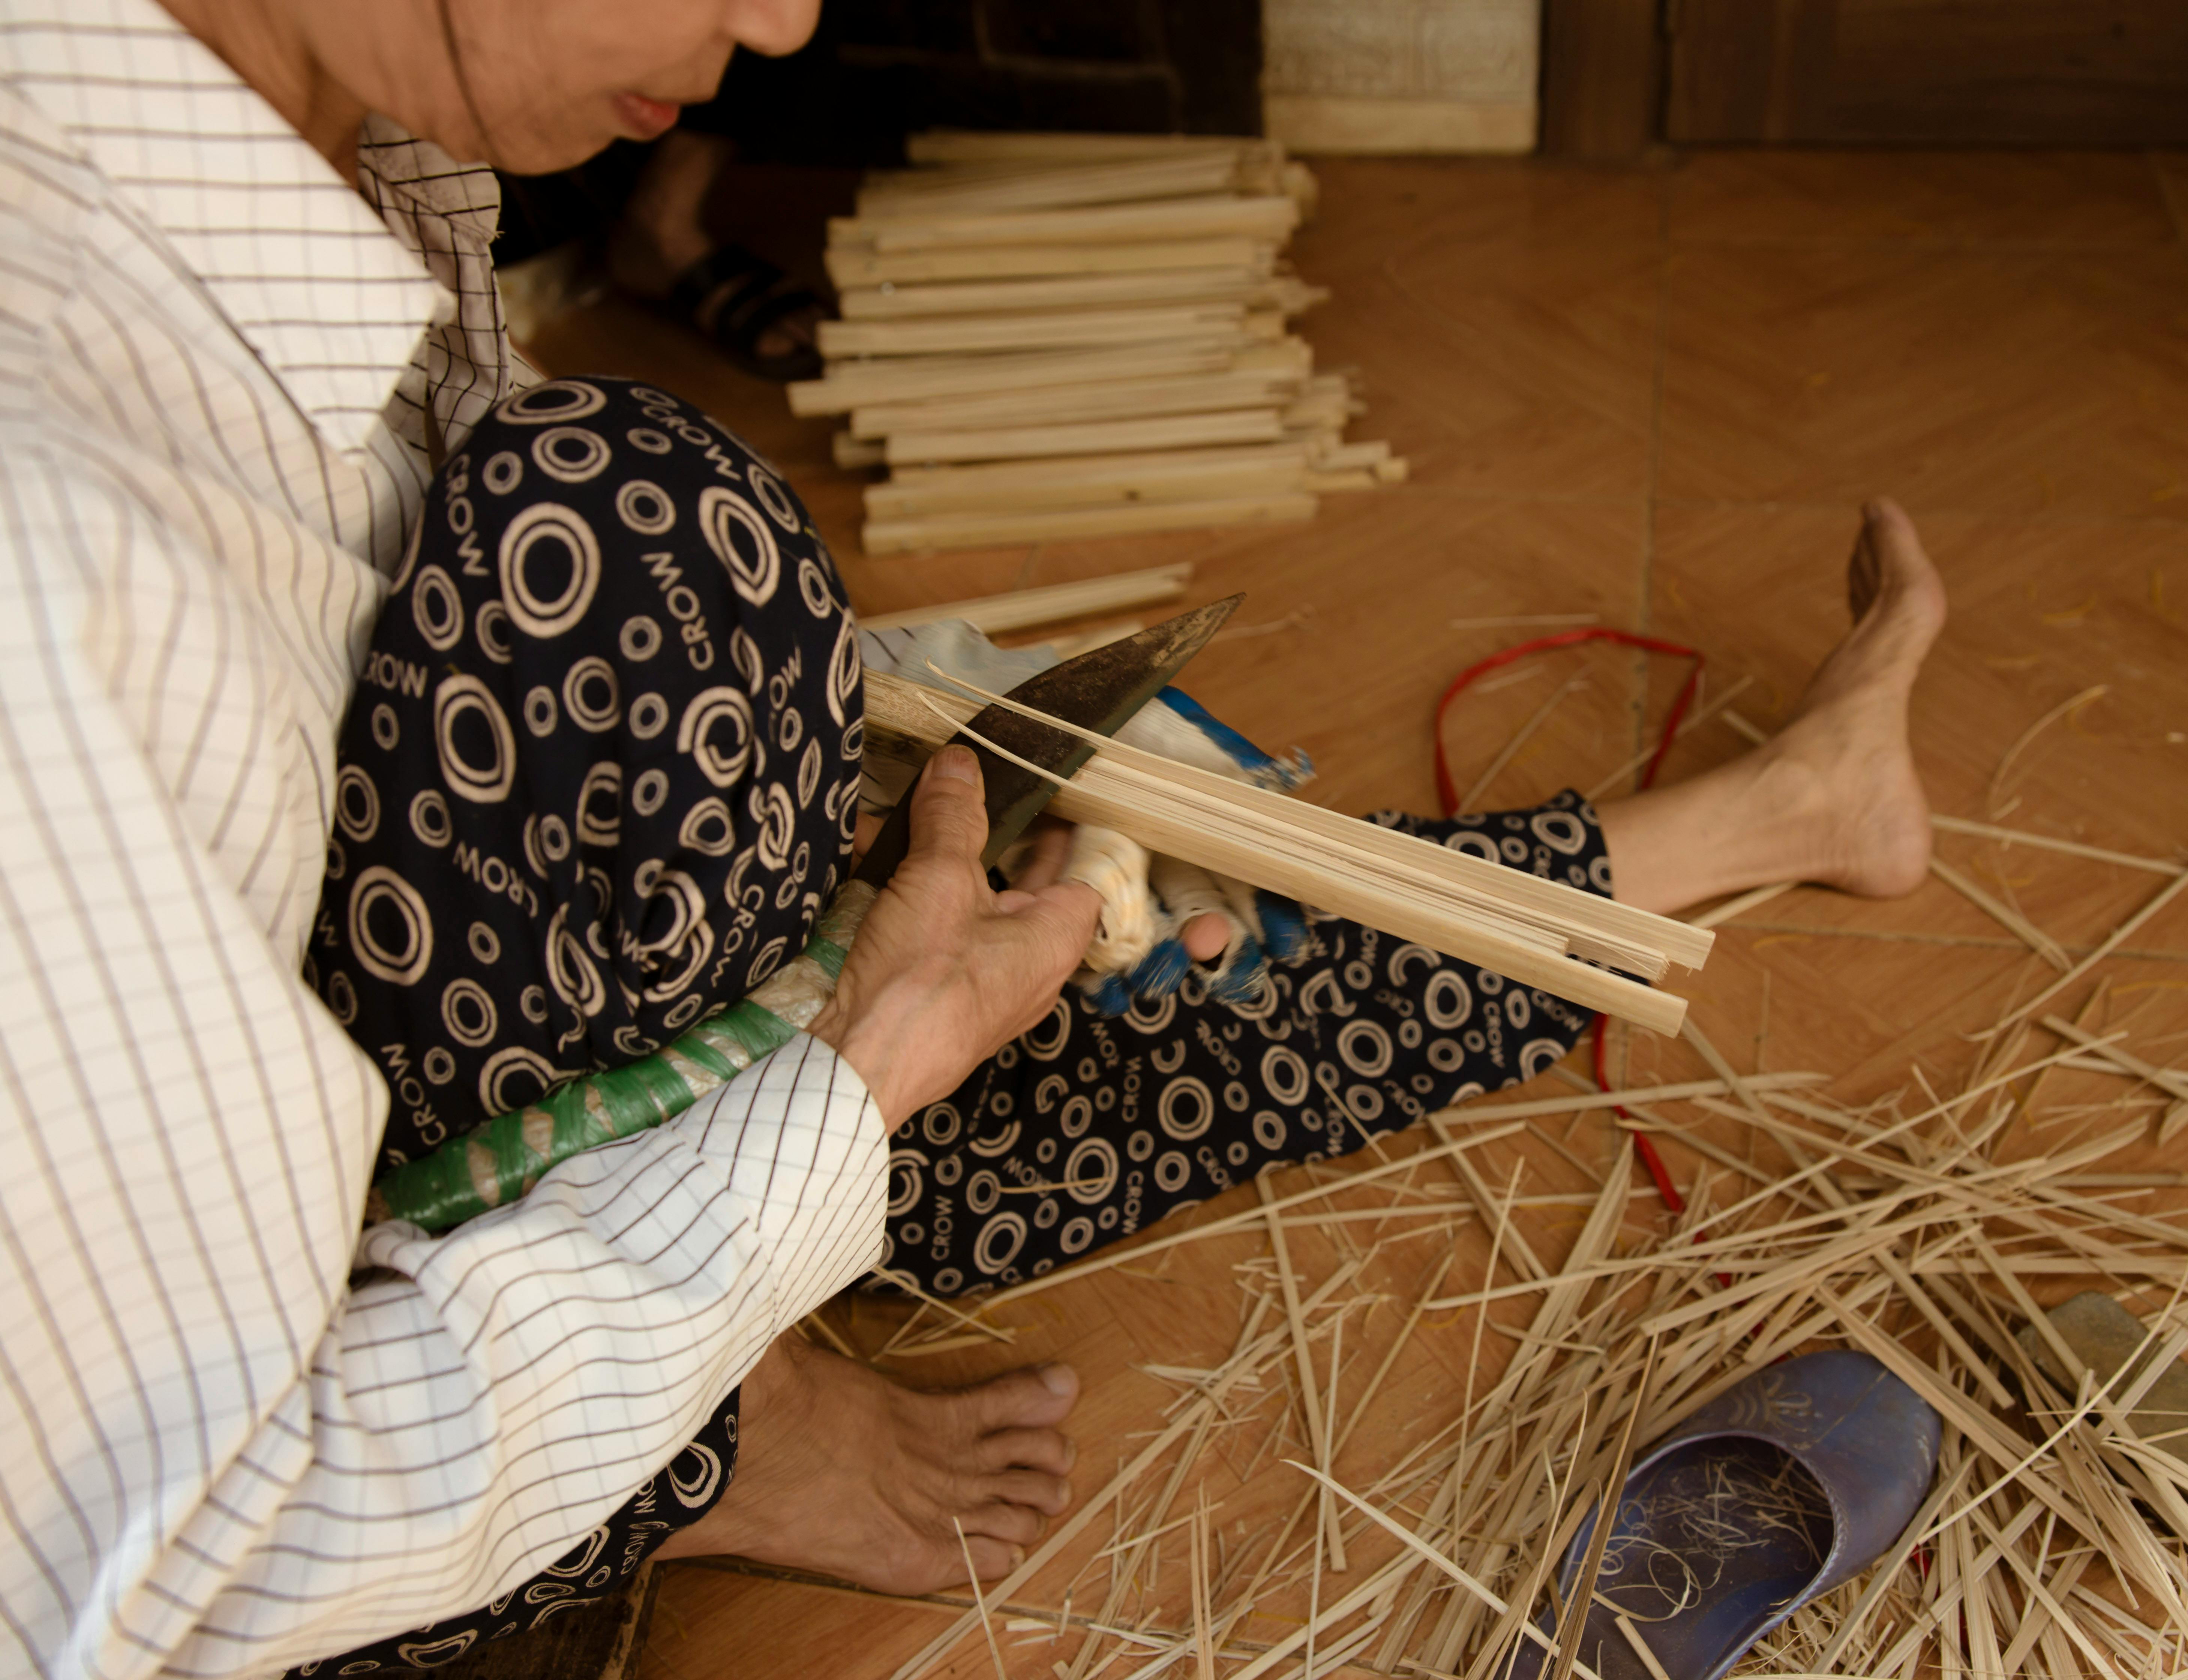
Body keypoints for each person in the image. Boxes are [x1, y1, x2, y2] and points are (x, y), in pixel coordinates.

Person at [0, 3, 1947, 1677]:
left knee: (1111, 996)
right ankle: (723, 1443)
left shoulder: (322, 136)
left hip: (418, 1114)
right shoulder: (59, 547)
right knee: (624, 555)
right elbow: (167, 1579)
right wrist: (846, 1094)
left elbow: (467, 693)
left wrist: (974, 727)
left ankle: (1782, 808)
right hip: (276, 1575)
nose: (781, 25)